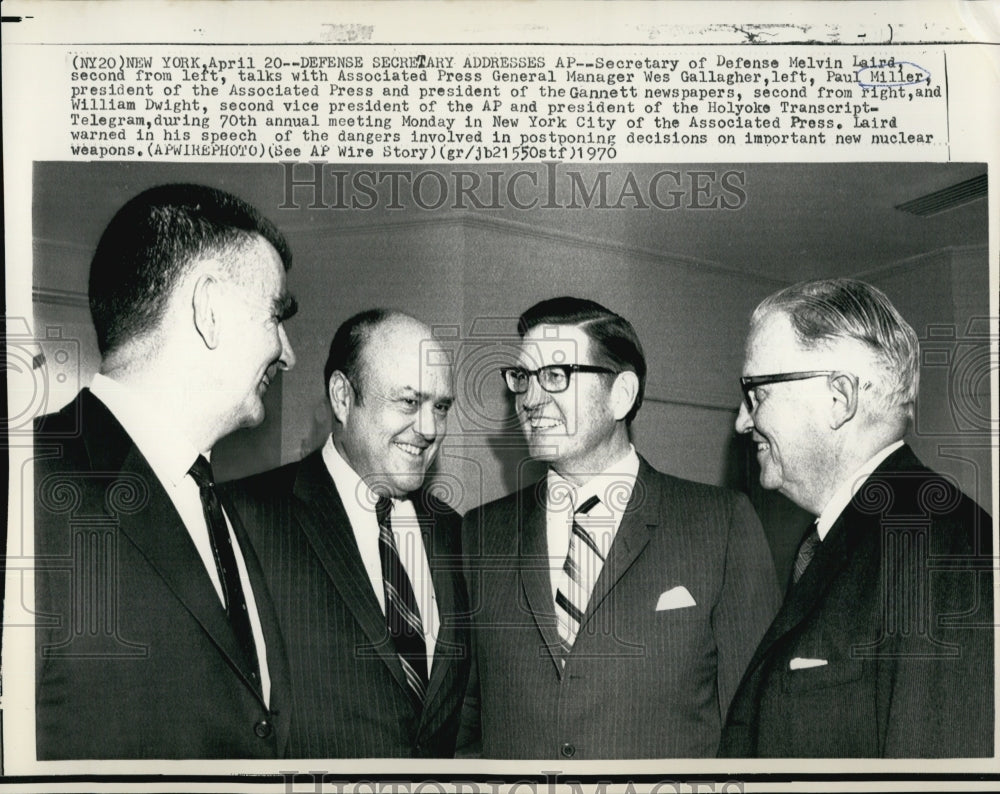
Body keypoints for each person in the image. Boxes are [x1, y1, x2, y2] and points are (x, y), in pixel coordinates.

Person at [33, 183, 298, 758]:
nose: (287, 351)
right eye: (276, 316)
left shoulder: (217, 506)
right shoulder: (26, 486)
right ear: (209, 310)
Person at [459, 296, 780, 759]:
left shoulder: (721, 524)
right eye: (523, 378)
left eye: (555, 375)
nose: (530, 398)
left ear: (621, 394)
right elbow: (464, 721)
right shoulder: (481, 534)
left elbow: (754, 725)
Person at [719, 278, 994, 757]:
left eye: (756, 392)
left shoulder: (935, 547)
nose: (743, 420)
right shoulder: (850, 540)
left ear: (839, 397)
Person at [226, 309, 470, 757]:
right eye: (409, 402)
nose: (430, 429)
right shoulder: (247, 517)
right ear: (342, 397)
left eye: (441, 407)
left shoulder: (456, 533)